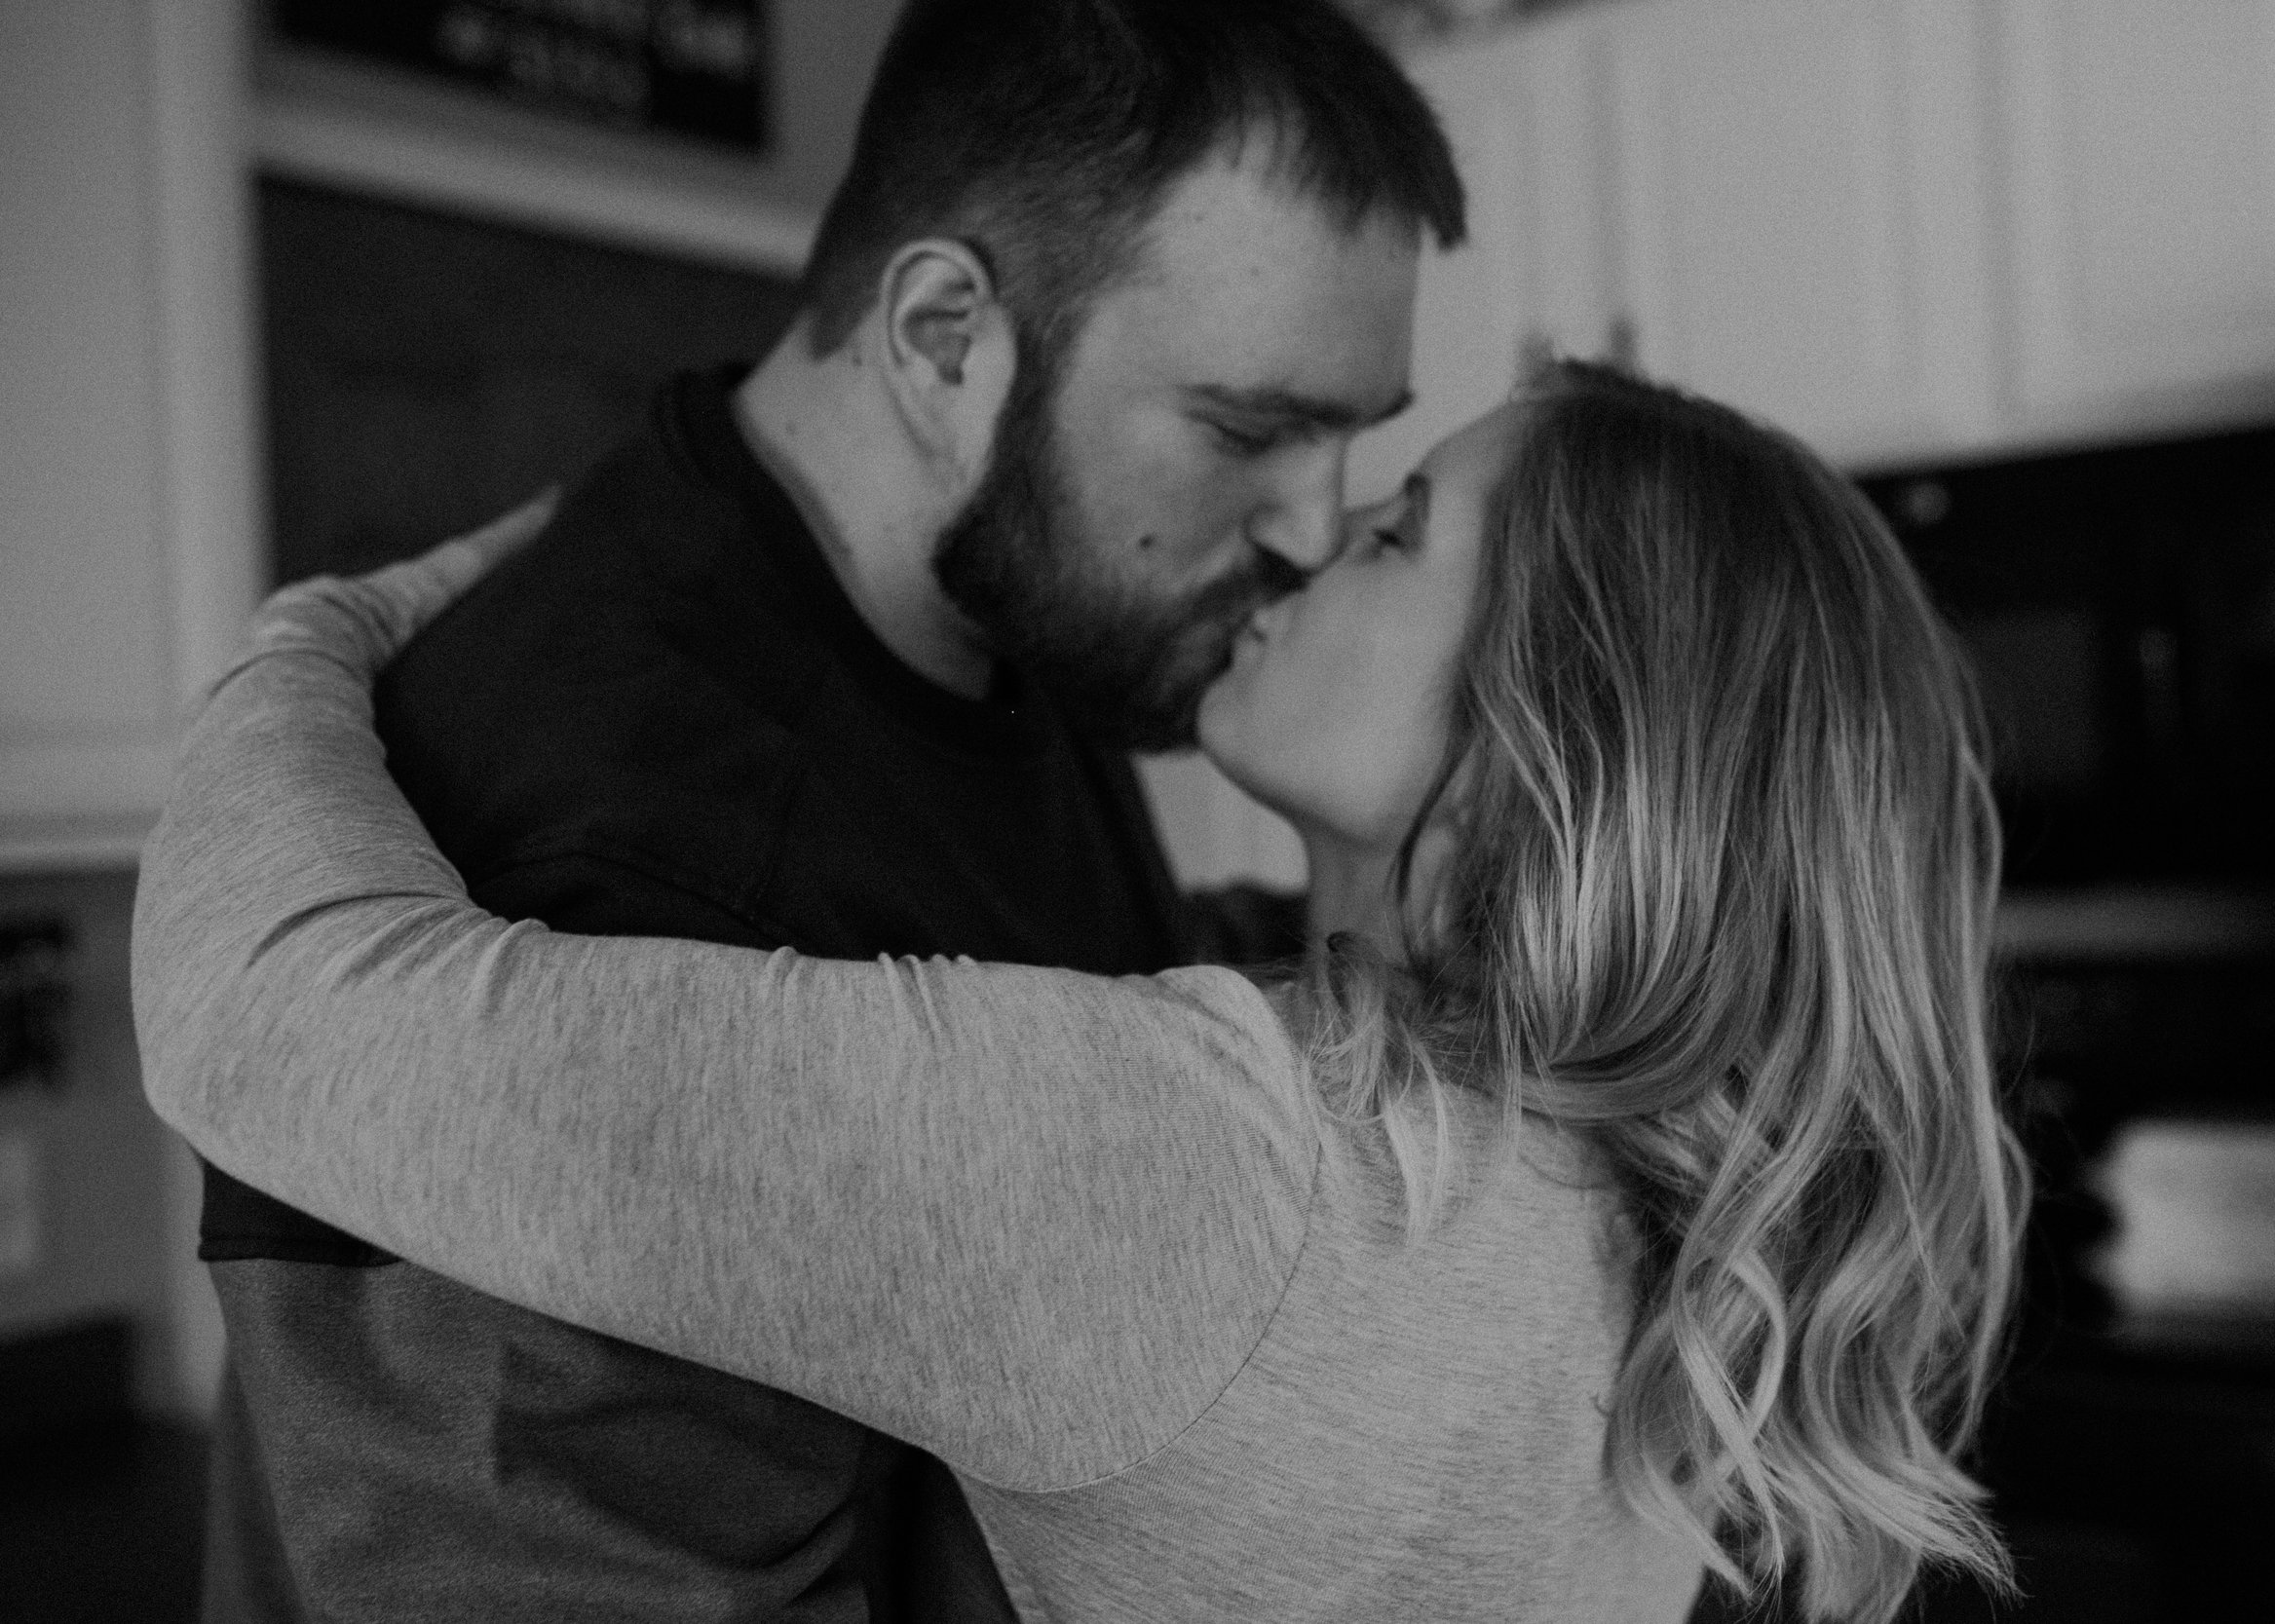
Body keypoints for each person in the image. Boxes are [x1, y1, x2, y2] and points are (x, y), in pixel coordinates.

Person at [139, 364, 2029, 1624]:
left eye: (1390, 535)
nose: (1300, 538)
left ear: (1565, 714)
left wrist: (330, 626)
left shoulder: (1216, 1168)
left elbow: (281, 1005)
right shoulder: (1624, 1167)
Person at [190, 3, 1462, 1620]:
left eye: (1357, 441)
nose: (1314, 525)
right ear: (943, 339)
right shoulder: (618, 865)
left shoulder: (993, 611)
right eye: (1251, 430)